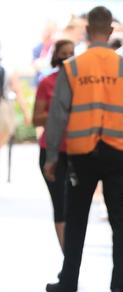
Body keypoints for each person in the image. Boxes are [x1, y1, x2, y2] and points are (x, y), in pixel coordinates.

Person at [43, 6, 123, 292]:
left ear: (86, 32)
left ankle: (68, 283)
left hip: (82, 152)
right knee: (120, 222)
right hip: (118, 151)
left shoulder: (72, 67)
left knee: (76, 219)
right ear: (111, 31)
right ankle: (117, 291)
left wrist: (51, 156)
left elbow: (58, 115)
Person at [32, 39, 75, 251]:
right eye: (64, 53)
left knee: (73, 205)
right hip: (52, 151)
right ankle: (67, 254)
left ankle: (71, 257)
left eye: (72, 53)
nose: (68, 57)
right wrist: (58, 114)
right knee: (59, 202)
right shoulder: (47, 83)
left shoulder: (80, 83)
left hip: (77, 151)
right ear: (56, 55)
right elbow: (36, 119)